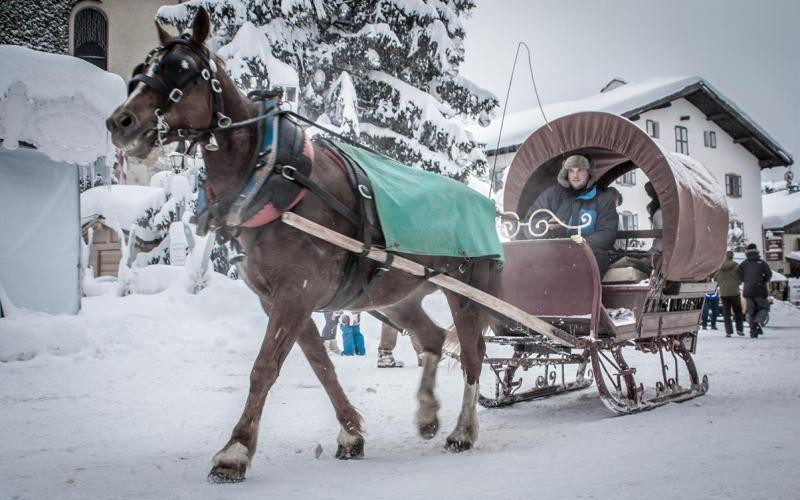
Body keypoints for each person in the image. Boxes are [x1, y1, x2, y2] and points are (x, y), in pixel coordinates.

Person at [524, 154, 618, 276]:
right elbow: (529, 224)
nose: (575, 175)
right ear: (565, 173)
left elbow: (607, 233)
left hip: (588, 255)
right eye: (571, 171)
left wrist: (582, 243)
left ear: (589, 173)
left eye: (580, 170)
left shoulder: (603, 200)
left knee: (599, 259)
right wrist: (546, 224)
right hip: (553, 255)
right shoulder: (551, 195)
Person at [737, 243, 772, 338]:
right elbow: (769, 274)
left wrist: (746, 281)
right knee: (764, 308)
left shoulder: (744, 264)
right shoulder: (762, 263)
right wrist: (763, 281)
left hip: (748, 290)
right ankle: (758, 321)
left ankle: (753, 332)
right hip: (760, 289)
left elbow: (738, 275)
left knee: (750, 311)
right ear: (756, 251)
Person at [716, 251, 745, 337]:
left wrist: (722, 284)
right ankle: (739, 330)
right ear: (732, 257)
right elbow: (741, 277)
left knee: (726, 313)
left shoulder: (720, 266)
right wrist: (737, 283)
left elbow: (716, 277)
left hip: (724, 293)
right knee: (737, 311)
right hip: (734, 292)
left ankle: (728, 331)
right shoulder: (736, 266)